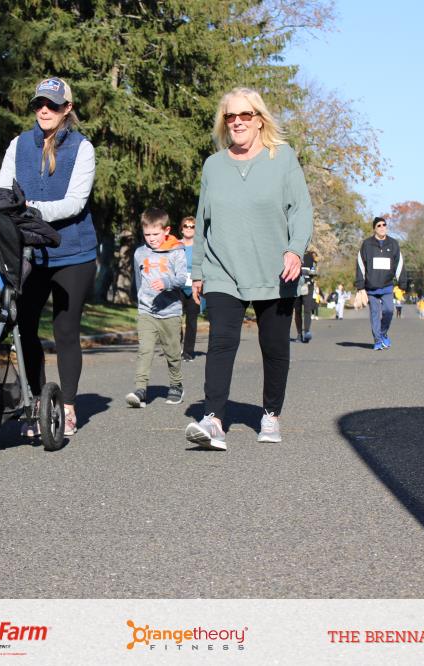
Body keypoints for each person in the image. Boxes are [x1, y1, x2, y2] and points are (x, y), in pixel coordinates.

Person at [183, 87, 313, 451]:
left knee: (274, 346)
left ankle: (270, 414)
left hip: (276, 271)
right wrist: (198, 271)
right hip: (223, 269)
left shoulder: (282, 157)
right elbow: (202, 221)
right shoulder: (213, 165)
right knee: (221, 341)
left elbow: (301, 209)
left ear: (259, 120)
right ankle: (213, 420)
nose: (237, 122)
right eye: (230, 116)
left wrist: (295, 250)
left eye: (245, 115)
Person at [0, 76, 96, 437]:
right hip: (29, 253)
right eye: (39, 103)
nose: (44, 110)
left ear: (67, 108)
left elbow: (75, 203)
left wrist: (29, 210)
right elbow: (2, 190)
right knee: (23, 327)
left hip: (73, 253)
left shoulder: (82, 148)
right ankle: (38, 403)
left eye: (52, 104)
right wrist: (6, 210)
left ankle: (66, 407)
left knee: (65, 330)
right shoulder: (19, 144)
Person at [126, 208, 188, 408]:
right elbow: (138, 280)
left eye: (155, 234)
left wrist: (166, 283)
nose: (151, 238)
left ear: (166, 230)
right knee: (145, 350)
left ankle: (176, 385)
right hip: (147, 312)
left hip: (170, 311)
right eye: (147, 234)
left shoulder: (176, 251)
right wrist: (140, 300)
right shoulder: (140, 253)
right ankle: (140, 389)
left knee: (172, 353)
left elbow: (182, 278)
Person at [354, 216, 406, 351]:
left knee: (389, 311)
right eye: (379, 225)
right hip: (371, 287)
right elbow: (360, 265)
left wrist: (402, 283)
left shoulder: (393, 244)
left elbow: (399, 264)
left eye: (384, 225)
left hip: (387, 286)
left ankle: (383, 333)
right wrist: (360, 286)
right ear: (374, 229)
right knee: (375, 314)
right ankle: (377, 340)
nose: (382, 227)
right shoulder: (367, 244)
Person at [178, 215, 200, 361]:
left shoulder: (200, 247)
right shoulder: (176, 245)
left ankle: (188, 352)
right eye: (186, 226)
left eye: (192, 226)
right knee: (175, 319)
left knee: (191, 321)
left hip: (194, 288)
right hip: (177, 287)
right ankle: (176, 347)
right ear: (182, 228)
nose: (189, 228)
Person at [293, 248, 318, 343]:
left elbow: (314, 271)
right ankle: (299, 334)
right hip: (295, 286)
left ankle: (307, 332)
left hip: (308, 286)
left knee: (307, 309)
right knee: (297, 310)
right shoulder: (294, 254)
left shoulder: (311, 257)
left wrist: (311, 272)